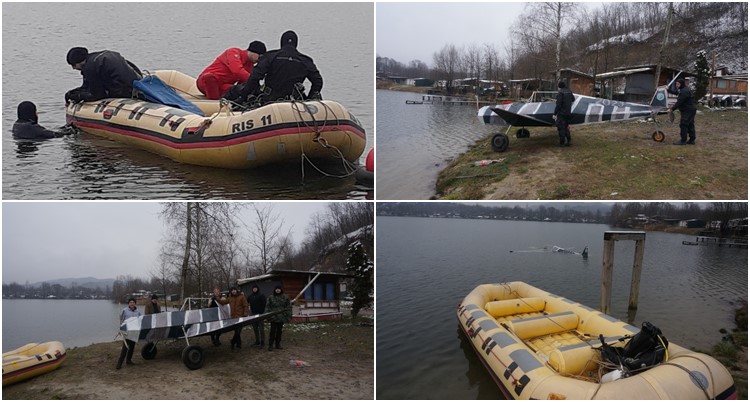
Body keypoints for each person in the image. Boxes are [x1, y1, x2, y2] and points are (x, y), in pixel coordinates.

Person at [236, 30, 323, 105]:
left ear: (281, 42)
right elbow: (318, 81)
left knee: (235, 90)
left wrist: (243, 96)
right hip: (296, 102)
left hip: (270, 101)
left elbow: (255, 77)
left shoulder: (270, 56)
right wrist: (309, 99)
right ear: (296, 44)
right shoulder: (306, 60)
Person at [65, 47, 143, 103]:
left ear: (79, 62)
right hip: (137, 83)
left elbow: (97, 95)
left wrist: (77, 97)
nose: (73, 68)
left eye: (74, 65)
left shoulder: (90, 67)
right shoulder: (101, 57)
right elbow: (88, 86)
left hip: (125, 91)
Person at [196, 41, 266, 100]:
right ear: (252, 52)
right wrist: (253, 80)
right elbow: (237, 70)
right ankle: (214, 103)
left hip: (223, 86)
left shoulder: (250, 65)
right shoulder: (233, 52)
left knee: (237, 89)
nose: (259, 60)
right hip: (206, 82)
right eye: (259, 57)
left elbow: (243, 83)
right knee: (210, 77)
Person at [216, 287, 249, 351]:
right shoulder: (230, 298)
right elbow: (223, 302)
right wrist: (217, 299)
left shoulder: (241, 297)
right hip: (233, 318)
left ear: (236, 291)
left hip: (240, 317)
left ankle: (233, 342)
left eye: (234, 290)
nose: (233, 291)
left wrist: (245, 314)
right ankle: (238, 346)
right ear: (231, 292)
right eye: (232, 290)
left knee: (238, 332)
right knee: (237, 332)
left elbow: (245, 305)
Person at [667, 78, 697, 145]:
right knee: (690, 124)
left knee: (683, 124)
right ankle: (692, 140)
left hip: (688, 110)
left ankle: (683, 141)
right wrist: (668, 90)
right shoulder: (683, 89)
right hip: (690, 109)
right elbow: (677, 92)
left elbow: (679, 102)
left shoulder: (684, 91)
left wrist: (672, 109)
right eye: (676, 84)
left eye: (678, 84)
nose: (677, 85)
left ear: (681, 84)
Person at [265, 285, 292, 351]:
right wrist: (268, 316)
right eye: (276, 289)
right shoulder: (271, 297)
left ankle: (278, 344)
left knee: (279, 331)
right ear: (274, 290)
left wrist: (289, 316)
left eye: (279, 289)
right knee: (272, 331)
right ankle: (270, 345)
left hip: (281, 317)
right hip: (273, 317)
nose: (277, 290)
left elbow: (289, 307)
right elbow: (267, 307)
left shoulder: (285, 297)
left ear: (281, 290)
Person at [116, 298, 141, 369]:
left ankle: (129, 360)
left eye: (133, 302)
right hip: (127, 332)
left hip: (134, 332)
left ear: (135, 303)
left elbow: (139, 320)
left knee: (132, 347)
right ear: (128, 303)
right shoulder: (125, 310)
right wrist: (121, 328)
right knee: (125, 348)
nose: (132, 303)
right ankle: (119, 363)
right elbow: (121, 320)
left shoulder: (138, 311)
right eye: (130, 302)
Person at [552, 80, 574, 147]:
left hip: (562, 113)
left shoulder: (560, 93)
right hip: (568, 112)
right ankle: (569, 141)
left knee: (561, 127)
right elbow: (573, 99)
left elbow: (558, 104)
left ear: (560, 86)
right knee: (566, 126)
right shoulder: (569, 91)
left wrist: (554, 114)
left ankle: (562, 143)